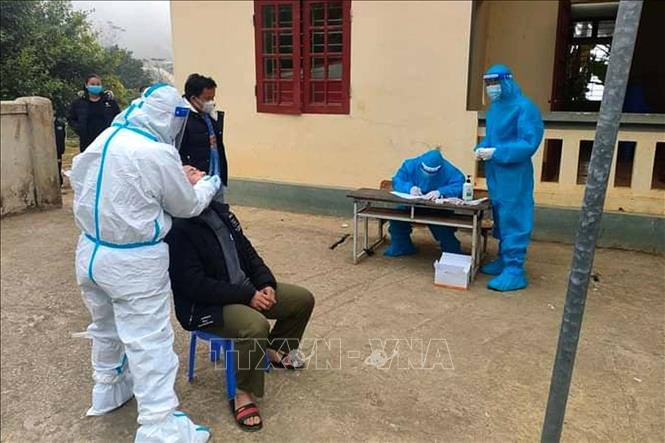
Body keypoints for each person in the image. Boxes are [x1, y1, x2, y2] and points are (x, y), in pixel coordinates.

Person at [70, 83, 221, 442]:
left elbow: (88, 181)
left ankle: (108, 389)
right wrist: (206, 185)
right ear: (169, 117)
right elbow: (185, 205)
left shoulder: (106, 138)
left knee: (105, 327)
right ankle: (158, 425)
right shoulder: (156, 152)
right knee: (149, 342)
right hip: (133, 263)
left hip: (90, 253)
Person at [165, 190, 315, 432]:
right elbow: (195, 285)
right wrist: (247, 296)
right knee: (255, 326)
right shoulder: (177, 228)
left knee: (302, 300)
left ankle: (273, 350)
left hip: (245, 289)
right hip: (207, 306)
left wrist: (265, 283)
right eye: (192, 172)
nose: (202, 174)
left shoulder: (220, 213)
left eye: (202, 172)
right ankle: (242, 393)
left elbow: (249, 253)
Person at [475, 64, 544, 292]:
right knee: (501, 215)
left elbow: (528, 143)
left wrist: (497, 152)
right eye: (488, 83)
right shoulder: (495, 109)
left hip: (515, 174)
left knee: (514, 216)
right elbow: (492, 137)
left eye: (495, 82)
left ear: (507, 81)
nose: (491, 87)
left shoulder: (525, 107)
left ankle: (515, 270)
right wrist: (482, 148)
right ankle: (504, 259)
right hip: (496, 173)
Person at [384, 148, 466, 257]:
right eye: (426, 170)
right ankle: (401, 246)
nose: (428, 174)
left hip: (437, 208)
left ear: (440, 167)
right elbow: (398, 180)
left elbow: (459, 184)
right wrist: (409, 188)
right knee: (397, 218)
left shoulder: (449, 170)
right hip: (411, 206)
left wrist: (440, 192)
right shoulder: (410, 165)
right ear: (421, 163)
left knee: (442, 226)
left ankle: (452, 252)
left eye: (433, 172)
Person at [180, 73, 228, 191]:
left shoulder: (210, 115)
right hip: (195, 182)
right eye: (207, 99)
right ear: (193, 99)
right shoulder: (182, 120)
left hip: (216, 176)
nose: (212, 102)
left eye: (213, 98)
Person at [68, 74, 121, 152]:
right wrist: (79, 129)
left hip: (106, 140)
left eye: (98, 84)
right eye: (92, 84)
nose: (95, 86)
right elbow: (71, 118)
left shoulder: (109, 102)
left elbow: (118, 117)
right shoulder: (79, 103)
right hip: (87, 141)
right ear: (86, 85)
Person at [54, 116, 66, 186]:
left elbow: (63, 136)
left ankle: (59, 180)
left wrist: (62, 148)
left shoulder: (60, 124)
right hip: (49, 148)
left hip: (58, 148)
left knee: (58, 164)